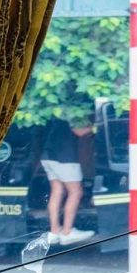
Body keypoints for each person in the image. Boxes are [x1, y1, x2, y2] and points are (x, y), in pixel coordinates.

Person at [41, 100, 95, 246]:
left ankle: (54, 232)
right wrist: (96, 127)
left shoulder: (56, 108)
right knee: (76, 192)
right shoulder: (73, 110)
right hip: (65, 158)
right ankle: (67, 232)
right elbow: (78, 131)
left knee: (57, 192)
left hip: (48, 156)